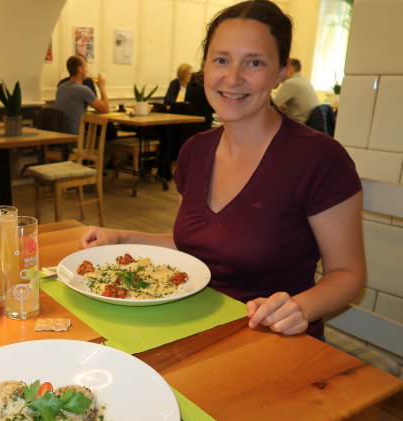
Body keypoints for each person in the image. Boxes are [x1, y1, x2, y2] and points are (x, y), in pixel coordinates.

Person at [80, 0, 365, 341]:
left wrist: (300, 308)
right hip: (192, 325)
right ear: (205, 68)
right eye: (221, 60)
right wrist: (123, 237)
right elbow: (206, 244)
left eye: (254, 62)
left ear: (281, 72)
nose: (232, 78)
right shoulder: (195, 150)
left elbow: (347, 273)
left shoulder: (319, 157)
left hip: (274, 340)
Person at [54, 55, 110, 135]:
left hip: (59, 136)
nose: (87, 70)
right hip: (74, 138)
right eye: (86, 67)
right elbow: (105, 109)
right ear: (80, 69)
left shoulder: (61, 87)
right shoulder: (82, 89)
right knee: (107, 131)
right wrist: (102, 87)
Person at [273, 58, 319, 123]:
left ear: (290, 69)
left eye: (282, 70)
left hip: (298, 125)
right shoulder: (304, 81)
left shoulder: (291, 83)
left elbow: (273, 104)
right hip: (308, 124)